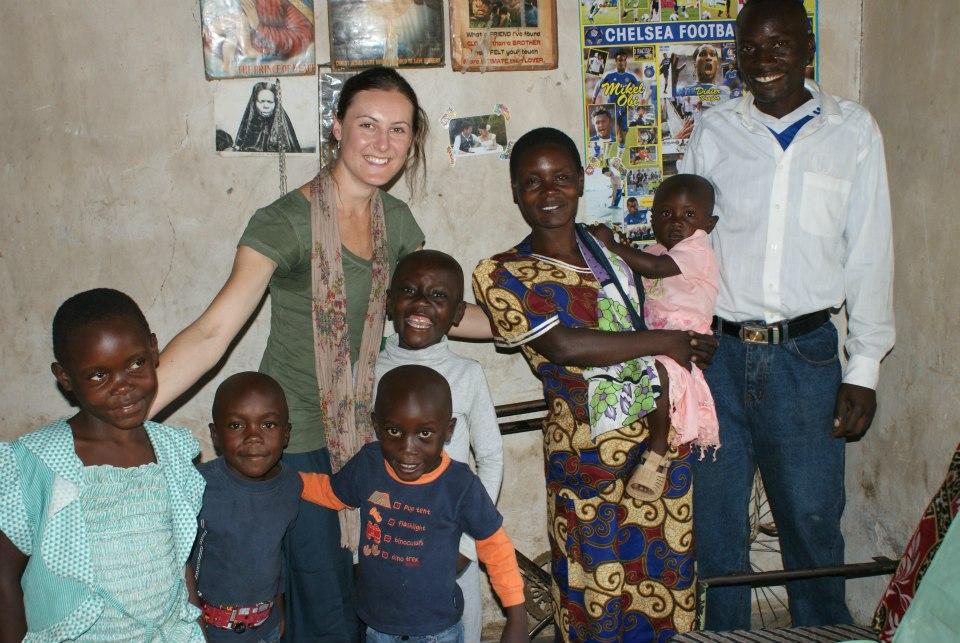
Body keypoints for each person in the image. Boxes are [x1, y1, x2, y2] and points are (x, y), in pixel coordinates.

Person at [152, 66, 492, 642]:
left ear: (413, 143)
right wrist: (127, 415)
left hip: (373, 433)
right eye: (367, 124)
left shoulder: (399, 224)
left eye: (400, 130)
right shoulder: (285, 222)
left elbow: (439, 312)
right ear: (336, 127)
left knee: (377, 586)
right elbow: (214, 332)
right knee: (324, 594)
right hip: (301, 437)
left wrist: (539, 328)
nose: (382, 143)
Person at [679, 0, 894, 630]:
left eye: (779, 45)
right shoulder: (714, 130)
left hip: (807, 359)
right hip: (717, 357)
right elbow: (690, 250)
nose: (764, 60)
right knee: (717, 528)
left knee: (809, 521)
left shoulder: (852, 131)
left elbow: (870, 253)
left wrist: (865, 368)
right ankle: (725, 636)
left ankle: (820, 632)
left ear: (807, 46)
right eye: (750, 48)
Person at [473, 128, 717, 641]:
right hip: (583, 453)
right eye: (533, 182)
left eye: (561, 177)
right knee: (594, 585)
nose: (549, 192)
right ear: (515, 192)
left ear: (581, 182)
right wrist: (663, 340)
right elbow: (565, 347)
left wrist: (691, 342)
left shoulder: (610, 248)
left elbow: (669, 310)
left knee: (667, 576)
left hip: (658, 444)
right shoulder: (502, 273)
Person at [0, 289, 205, 641]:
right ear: (65, 377)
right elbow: (4, 576)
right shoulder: (36, 464)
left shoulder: (172, 452)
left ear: (153, 349)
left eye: (136, 363)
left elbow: (179, 561)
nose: (123, 387)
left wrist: (197, 629)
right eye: (98, 375)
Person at [300, 365, 527, 643]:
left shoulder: (460, 485)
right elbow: (331, 492)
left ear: (448, 430)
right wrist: (288, 480)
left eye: (425, 434)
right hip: (376, 627)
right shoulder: (369, 465)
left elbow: (496, 548)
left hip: (437, 632)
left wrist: (516, 615)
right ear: (376, 425)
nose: (408, 447)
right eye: (394, 431)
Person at [374, 250, 503, 643]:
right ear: (389, 299)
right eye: (409, 291)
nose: (421, 304)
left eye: (438, 296)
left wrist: (469, 544)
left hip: (450, 544)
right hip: (387, 543)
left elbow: (491, 456)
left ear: (458, 313)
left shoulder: (466, 374)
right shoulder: (368, 370)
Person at [590, 174, 721, 501]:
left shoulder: (697, 249)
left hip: (683, 345)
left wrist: (613, 246)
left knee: (658, 373)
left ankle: (658, 447)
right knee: (645, 371)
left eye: (689, 216)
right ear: (651, 218)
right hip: (654, 338)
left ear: (710, 223)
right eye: (666, 214)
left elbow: (653, 268)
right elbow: (637, 274)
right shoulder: (654, 249)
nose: (677, 222)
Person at [191, 372, 301, 641]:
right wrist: (195, 627)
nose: (253, 437)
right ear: (215, 435)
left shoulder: (291, 485)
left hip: (267, 627)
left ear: (286, 433)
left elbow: (277, 555)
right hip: (209, 632)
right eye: (237, 425)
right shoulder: (196, 486)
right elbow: (180, 564)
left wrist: (280, 609)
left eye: (268, 425)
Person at [593, 50, 644, 154]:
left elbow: (642, 88)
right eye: (620, 60)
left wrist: (642, 99)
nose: (622, 62)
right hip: (612, 108)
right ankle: (606, 155)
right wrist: (594, 98)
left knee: (623, 135)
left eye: (624, 60)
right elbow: (598, 85)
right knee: (613, 134)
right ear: (616, 61)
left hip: (625, 109)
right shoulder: (609, 74)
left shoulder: (631, 75)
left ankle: (618, 158)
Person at [233, 82, 302, 153]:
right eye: (261, 101)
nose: (265, 106)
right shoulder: (247, 128)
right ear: (254, 102)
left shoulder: (283, 124)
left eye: (270, 102)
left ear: (276, 103)